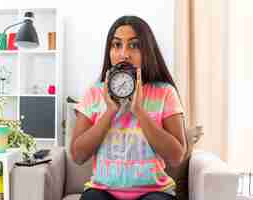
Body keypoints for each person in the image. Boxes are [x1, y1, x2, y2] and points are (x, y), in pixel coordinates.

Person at [71, 15, 187, 200]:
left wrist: (139, 111)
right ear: (109, 51)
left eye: (134, 45)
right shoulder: (94, 94)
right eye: (116, 45)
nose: (124, 54)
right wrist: (110, 112)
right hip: (103, 192)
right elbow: (77, 156)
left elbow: (176, 156)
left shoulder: (165, 93)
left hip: (153, 192)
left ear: (147, 51)